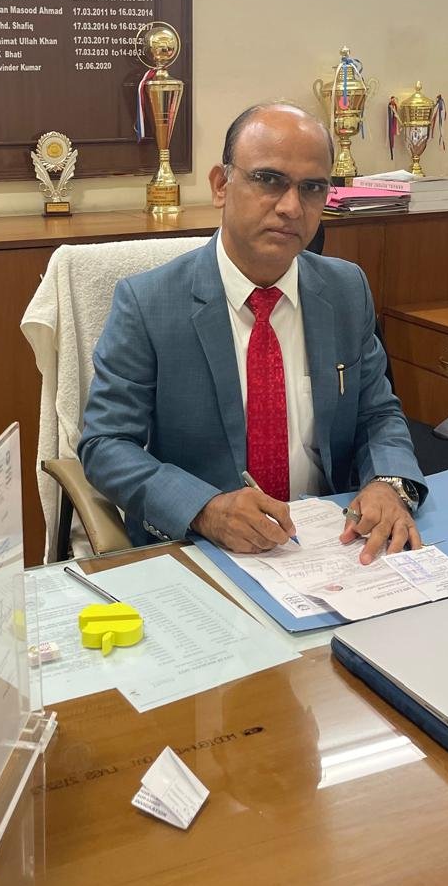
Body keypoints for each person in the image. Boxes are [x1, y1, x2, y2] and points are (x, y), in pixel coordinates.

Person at [77, 102, 427, 562]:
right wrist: (204, 508)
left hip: (333, 545)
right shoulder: (147, 303)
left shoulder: (346, 290)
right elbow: (105, 445)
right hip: (202, 547)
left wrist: (388, 482)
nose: (291, 207)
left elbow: (376, 413)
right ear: (221, 186)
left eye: (311, 188)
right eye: (268, 180)